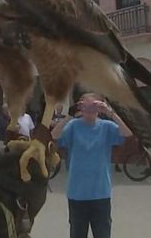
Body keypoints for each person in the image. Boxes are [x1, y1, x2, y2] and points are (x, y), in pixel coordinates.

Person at [51, 92, 133, 238]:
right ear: (80, 108)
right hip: (77, 193)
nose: (89, 111)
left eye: (94, 106)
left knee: (102, 234)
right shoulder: (73, 125)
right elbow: (55, 135)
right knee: (77, 234)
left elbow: (127, 133)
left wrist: (110, 112)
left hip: (100, 193)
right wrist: (69, 115)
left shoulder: (106, 127)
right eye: (85, 106)